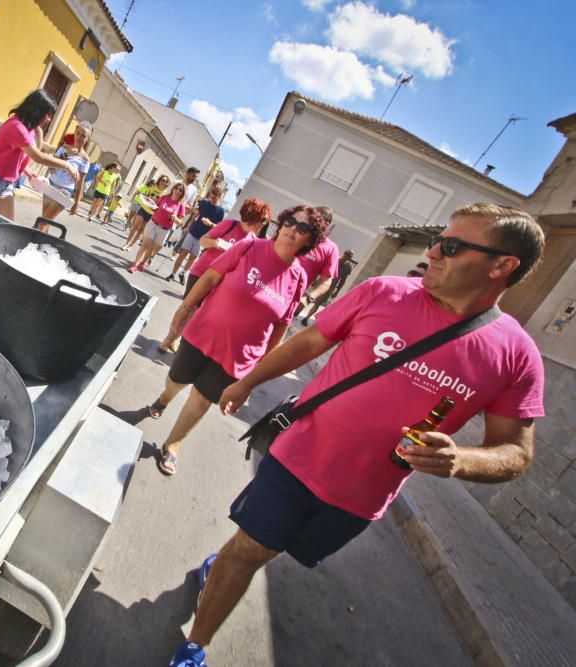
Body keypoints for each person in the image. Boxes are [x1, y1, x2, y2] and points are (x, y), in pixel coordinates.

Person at [169, 204, 546, 667]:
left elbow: (517, 451)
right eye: (436, 239)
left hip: (360, 497)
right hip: (298, 457)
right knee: (251, 546)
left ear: (502, 265)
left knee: (267, 548)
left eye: (450, 246)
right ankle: (196, 644)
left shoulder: (518, 356)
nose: (431, 251)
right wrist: (248, 381)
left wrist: (462, 460)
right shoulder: (382, 292)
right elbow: (308, 342)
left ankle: (222, 565)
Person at [149, 206, 324, 477]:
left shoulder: (298, 278)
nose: (293, 229)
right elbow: (210, 277)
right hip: (202, 333)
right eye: (290, 221)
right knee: (176, 380)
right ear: (281, 222)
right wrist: (184, 309)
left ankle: (173, 444)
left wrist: (258, 372)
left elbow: (282, 324)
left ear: (310, 240)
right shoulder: (249, 247)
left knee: (203, 399)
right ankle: (165, 397)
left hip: (240, 355)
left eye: (303, 229)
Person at [158, 197, 272, 354]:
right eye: (262, 220)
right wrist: (216, 244)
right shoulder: (229, 225)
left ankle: (176, 339)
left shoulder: (254, 241)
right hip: (202, 272)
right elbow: (204, 241)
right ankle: (169, 339)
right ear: (253, 218)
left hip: (221, 282)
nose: (262, 225)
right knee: (188, 307)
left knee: (199, 313)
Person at [0, 89, 77, 221]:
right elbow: (38, 157)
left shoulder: (29, 129)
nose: (49, 119)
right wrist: (66, 165)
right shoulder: (17, 127)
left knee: (5, 227)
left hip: (5, 183)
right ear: (37, 111)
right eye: (48, 115)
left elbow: (22, 156)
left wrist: (27, 172)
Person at [36, 120, 92, 231]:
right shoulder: (64, 148)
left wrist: (76, 203)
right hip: (51, 184)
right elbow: (51, 167)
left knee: (43, 222)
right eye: (78, 133)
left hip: (65, 191)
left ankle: (33, 243)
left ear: (87, 139)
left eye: (83, 136)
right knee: (45, 222)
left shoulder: (85, 159)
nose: (79, 137)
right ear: (75, 133)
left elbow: (81, 182)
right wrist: (66, 154)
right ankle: (41, 246)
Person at [167, 186, 225, 284]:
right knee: (183, 253)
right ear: (210, 194)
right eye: (213, 194)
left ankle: (182, 273)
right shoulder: (204, 203)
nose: (214, 197)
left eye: (216, 196)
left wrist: (210, 223)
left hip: (205, 238)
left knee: (192, 258)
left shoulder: (221, 210)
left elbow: (218, 227)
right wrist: (188, 226)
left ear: (220, 197)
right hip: (193, 232)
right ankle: (172, 274)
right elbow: (195, 215)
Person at [128, 182, 186, 273]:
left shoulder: (181, 205)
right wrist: (148, 203)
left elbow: (181, 222)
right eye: (176, 188)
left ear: (182, 193)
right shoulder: (164, 198)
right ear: (173, 189)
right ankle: (135, 264)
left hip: (164, 229)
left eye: (180, 190)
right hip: (153, 223)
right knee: (145, 245)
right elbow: (154, 207)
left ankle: (142, 263)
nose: (178, 191)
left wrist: (175, 218)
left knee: (152, 248)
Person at [295, 206, 341, 315]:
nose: (314, 221)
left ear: (326, 224)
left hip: (293, 299)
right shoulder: (295, 233)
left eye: (318, 219)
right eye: (312, 217)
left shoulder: (331, 248)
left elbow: (326, 281)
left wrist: (308, 298)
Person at [297, 249, 355, 325]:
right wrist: (315, 279)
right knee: (309, 298)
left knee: (318, 303)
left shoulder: (347, 267)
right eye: (347, 255)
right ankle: (297, 311)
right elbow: (321, 269)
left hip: (331, 287)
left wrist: (337, 291)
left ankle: (306, 318)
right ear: (344, 253)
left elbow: (342, 280)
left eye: (350, 256)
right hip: (321, 282)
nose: (348, 257)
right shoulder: (334, 259)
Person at [122, 176, 169, 250]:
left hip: (152, 214)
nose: (163, 182)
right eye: (162, 180)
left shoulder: (165, 194)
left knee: (141, 230)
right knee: (135, 227)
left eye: (165, 181)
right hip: (144, 209)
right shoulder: (153, 187)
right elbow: (145, 195)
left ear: (167, 184)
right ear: (159, 181)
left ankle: (130, 245)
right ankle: (126, 243)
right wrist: (147, 199)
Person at [165, 167, 202, 248]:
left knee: (164, 239)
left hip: (176, 217)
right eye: (193, 176)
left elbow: (189, 206)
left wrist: (181, 215)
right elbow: (166, 195)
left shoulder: (194, 190)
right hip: (165, 211)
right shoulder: (176, 182)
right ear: (187, 174)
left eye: (195, 177)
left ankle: (151, 255)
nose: (194, 178)